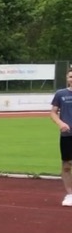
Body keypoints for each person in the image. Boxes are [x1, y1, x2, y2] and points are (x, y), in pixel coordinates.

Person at [51, 70, 72, 207]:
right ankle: (70, 194)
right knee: (67, 165)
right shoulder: (61, 94)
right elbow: (53, 112)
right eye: (70, 76)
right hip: (67, 135)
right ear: (67, 78)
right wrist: (60, 123)